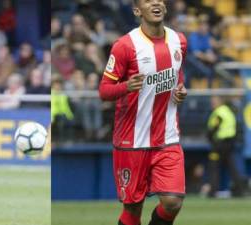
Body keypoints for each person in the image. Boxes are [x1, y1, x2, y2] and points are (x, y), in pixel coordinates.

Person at [98, 1, 188, 225]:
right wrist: (126, 87)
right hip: (132, 140)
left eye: (159, 0)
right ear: (138, 11)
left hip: (167, 137)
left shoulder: (179, 41)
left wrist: (180, 90)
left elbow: (178, 74)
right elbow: (104, 91)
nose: (156, 3)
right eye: (148, 0)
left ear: (165, 8)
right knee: (133, 210)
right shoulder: (125, 46)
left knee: (173, 202)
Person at [205, 96, 247, 197]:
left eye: (214, 102)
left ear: (219, 102)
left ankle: (212, 191)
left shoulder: (218, 113)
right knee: (232, 167)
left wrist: (210, 138)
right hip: (229, 143)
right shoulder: (228, 111)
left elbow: (214, 128)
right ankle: (240, 190)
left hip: (219, 144)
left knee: (214, 166)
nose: (212, 104)